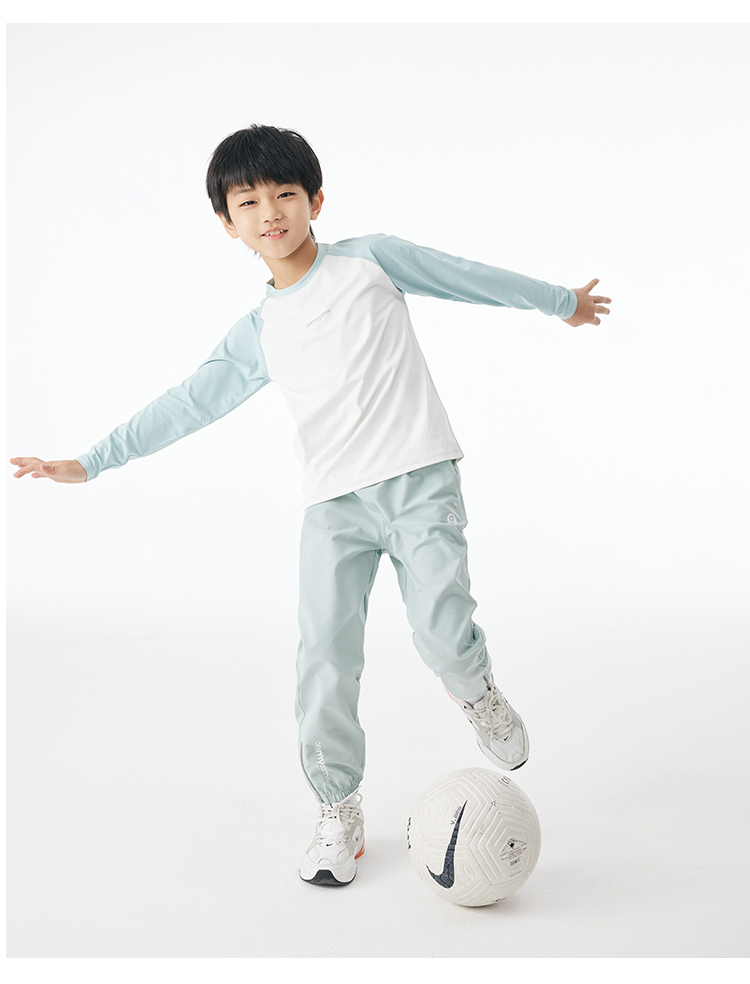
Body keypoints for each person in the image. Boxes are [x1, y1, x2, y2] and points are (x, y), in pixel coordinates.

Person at [10, 124, 611, 888]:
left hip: (420, 480)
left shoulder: (372, 261)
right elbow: (188, 403)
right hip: (335, 509)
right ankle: (337, 809)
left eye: (285, 194)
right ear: (227, 223)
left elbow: (467, 277)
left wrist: (561, 302)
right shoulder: (260, 331)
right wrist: (93, 460)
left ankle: (476, 692)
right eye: (248, 201)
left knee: (442, 635)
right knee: (324, 661)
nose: (270, 212)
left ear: (316, 201)